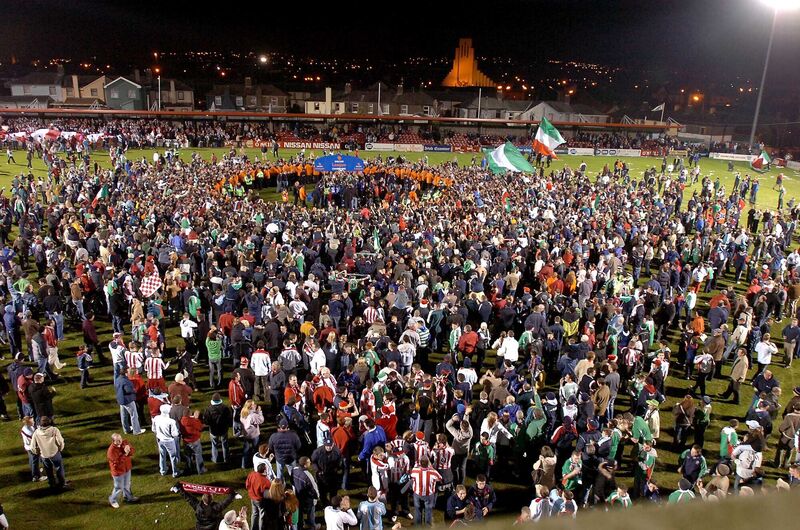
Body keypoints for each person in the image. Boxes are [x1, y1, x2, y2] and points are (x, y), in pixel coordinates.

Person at [173, 482, 238, 530]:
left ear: (202, 499)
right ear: (212, 499)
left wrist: (180, 488)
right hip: (213, 528)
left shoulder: (197, 506)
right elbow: (226, 502)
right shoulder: (216, 508)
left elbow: (188, 498)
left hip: (200, 528)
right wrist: (232, 494)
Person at [29, 416, 66, 489]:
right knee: (59, 468)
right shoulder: (54, 430)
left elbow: (32, 446)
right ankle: (62, 484)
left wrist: (37, 452)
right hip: (55, 453)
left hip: (44, 455)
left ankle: (52, 484)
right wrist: (61, 448)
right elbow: (60, 441)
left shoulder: (36, 432)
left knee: (48, 470)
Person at [107, 433, 138, 508]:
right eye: (118, 440)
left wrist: (129, 450)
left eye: (120, 439)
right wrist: (125, 453)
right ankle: (112, 500)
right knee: (119, 488)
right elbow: (117, 463)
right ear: (113, 441)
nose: (120, 441)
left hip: (127, 468)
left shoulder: (124, 442)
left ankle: (128, 497)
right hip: (118, 472)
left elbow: (132, 451)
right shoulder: (111, 451)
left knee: (127, 484)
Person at [409, 455, 441, 526]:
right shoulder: (433, 472)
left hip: (417, 494)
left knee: (417, 510)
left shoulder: (415, 470)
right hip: (429, 495)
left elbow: (411, 476)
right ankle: (428, 526)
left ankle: (418, 526)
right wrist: (431, 467)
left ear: (420, 463)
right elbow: (440, 478)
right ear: (428, 463)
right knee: (428, 511)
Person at [152, 403, 181, 477]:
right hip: (169, 441)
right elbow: (175, 434)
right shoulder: (171, 421)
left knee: (162, 455)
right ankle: (175, 472)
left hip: (159, 439)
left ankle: (163, 470)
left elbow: (153, 429)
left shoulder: (156, 418)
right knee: (173, 457)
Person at [203, 392, 232, 464]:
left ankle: (215, 459)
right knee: (225, 444)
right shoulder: (225, 408)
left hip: (213, 430)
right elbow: (229, 419)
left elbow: (206, 421)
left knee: (214, 445)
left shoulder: (209, 409)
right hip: (223, 430)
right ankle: (226, 458)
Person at [116, 368, 144, 435]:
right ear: (125, 373)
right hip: (128, 400)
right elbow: (128, 390)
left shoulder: (117, 379)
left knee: (123, 416)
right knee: (134, 415)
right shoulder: (125, 380)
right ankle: (136, 431)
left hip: (121, 399)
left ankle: (126, 430)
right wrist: (134, 390)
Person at [246, 463, 272, 530]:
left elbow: (247, 485)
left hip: (252, 497)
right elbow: (269, 492)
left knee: (254, 513)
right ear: (264, 471)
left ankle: (253, 528)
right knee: (262, 515)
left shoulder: (251, 474)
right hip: (260, 500)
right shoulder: (265, 481)